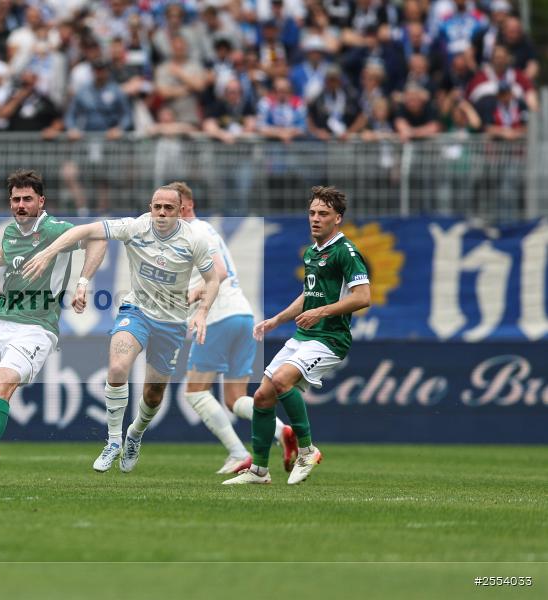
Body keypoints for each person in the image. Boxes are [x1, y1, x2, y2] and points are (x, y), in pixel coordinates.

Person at [22, 185, 220, 475]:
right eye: (157, 207)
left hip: (172, 322)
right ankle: (113, 441)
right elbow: (86, 231)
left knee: (153, 395)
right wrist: (49, 252)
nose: (161, 213)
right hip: (136, 311)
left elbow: (212, 279)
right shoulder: (136, 227)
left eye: (168, 208)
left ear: (180, 211)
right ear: (150, 207)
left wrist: (202, 312)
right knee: (117, 368)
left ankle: (134, 435)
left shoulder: (195, 239)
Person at [0, 169, 108, 486]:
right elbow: (5, 254)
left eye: (27, 199)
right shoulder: (11, 232)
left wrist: (84, 282)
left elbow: (98, 237)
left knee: (1, 386)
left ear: (41, 201)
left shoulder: (56, 229)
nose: (20, 205)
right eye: (15, 199)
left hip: (36, 327)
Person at [224, 186, 371, 486]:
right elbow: (309, 294)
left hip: (330, 338)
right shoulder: (313, 253)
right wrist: (278, 319)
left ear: (338, 219)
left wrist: (322, 312)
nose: (315, 219)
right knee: (263, 396)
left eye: (323, 214)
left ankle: (307, 450)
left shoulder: (346, 252)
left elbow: (363, 297)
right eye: (312, 213)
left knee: (281, 382)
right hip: (304, 335)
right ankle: (259, 472)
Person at [170, 182, 297, 475]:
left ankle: (240, 452)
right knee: (235, 399)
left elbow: (221, 271)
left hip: (219, 317)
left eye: (170, 208)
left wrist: (192, 294)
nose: (164, 216)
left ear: (185, 207)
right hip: (242, 316)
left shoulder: (194, 231)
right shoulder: (206, 230)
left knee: (195, 392)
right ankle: (282, 432)